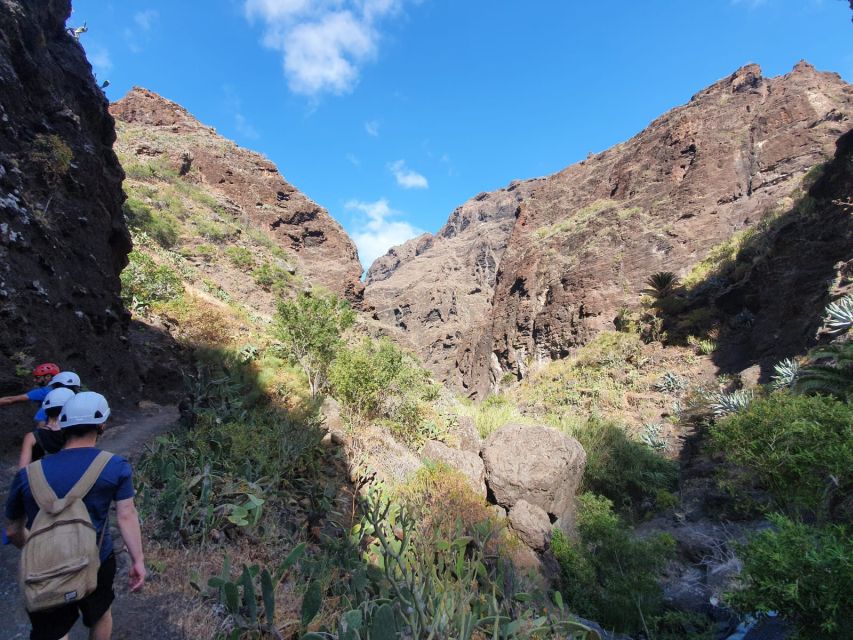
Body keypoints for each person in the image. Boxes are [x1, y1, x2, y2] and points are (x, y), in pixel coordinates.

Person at [5, 392, 146, 640]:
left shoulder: (28, 475)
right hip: (96, 559)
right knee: (100, 614)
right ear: (102, 425)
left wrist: (37, 550)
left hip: (44, 568)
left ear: (65, 425)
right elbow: (126, 515)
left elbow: (13, 530)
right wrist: (138, 560)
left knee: (52, 630)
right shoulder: (115, 466)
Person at [17, 387, 75, 469]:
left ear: (47, 410)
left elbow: (22, 471)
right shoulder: (75, 434)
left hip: (40, 479)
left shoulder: (31, 437)